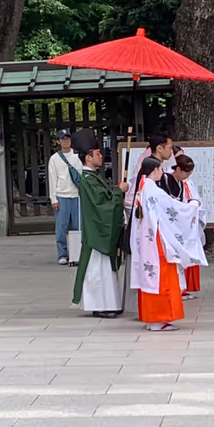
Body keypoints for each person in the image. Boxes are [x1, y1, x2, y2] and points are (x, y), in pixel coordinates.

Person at [129, 156, 206, 331]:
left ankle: (151, 317)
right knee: (163, 279)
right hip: (157, 242)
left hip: (147, 242)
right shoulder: (153, 191)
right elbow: (173, 209)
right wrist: (192, 205)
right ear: (155, 170)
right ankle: (159, 318)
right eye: (160, 169)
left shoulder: (142, 188)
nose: (163, 172)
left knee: (151, 279)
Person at [71, 129, 128, 319]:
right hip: (96, 232)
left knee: (103, 269)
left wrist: (116, 191)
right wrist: (119, 192)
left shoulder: (93, 177)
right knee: (97, 269)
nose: (101, 156)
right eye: (97, 154)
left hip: (98, 230)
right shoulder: (87, 180)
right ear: (88, 158)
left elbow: (105, 197)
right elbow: (102, 204)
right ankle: (99, 304)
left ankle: (108, 303)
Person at [166, 153, 207, 299]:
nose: (187, 177)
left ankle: (181, 287)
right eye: (186, 173)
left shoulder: (181, 182)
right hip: (172, 224)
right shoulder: (166, 180)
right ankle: (177, 287)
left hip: (181, 223)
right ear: (177, 169)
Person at [48, 129, 83, 265]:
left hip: (76, 195)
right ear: (58, 141)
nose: (65, 141)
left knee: (77, 227)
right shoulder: (54, 159)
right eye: (62, 139)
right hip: (62, 195)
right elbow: (52, 179)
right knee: (61, 227)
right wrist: (53, 198)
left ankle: (76, 253)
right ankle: (62, 254)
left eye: (67, 138)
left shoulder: (78, 156)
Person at [125, 132, 174, 213]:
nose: (171, 152)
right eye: (169, 148)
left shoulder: (154, 164)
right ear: (159, 148)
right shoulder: (151, 166)